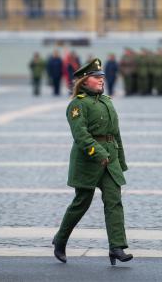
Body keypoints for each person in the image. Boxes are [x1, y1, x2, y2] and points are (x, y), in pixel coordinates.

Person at [52, 58, 132, 266]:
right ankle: (60, 240)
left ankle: (116, 247)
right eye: (97, 77)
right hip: (88, 160)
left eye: (102, 77)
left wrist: (119, 160)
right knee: (81, 203)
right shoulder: (77, 105)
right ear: (84, 81)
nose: (101, 80)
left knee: (114, 201)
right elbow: (81, 135)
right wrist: (99, 154)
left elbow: (115, 134)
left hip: (110, 159)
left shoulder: (107, 101)